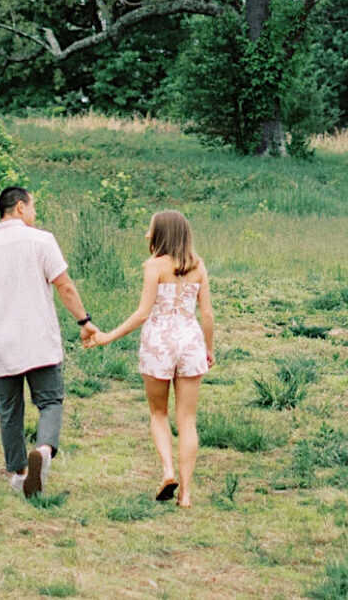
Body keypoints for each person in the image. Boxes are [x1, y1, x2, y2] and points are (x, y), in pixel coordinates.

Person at [0, 185, 97, 498]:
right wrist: (84, 321)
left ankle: (19, 473)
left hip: (0, 345)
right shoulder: (41, 241)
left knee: (10, 411)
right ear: (20, 207)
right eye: (33, 208)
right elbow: (64, 286)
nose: (35, 215)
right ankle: (44, 451)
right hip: (38, 340)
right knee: (50, 401)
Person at [83, 208, 215, 505]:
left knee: (158, 413)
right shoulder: (198, 266)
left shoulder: (154, 266)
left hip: (159, 343)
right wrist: (209, 348)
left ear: (162, 234)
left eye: (150, 228)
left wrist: (107, 336)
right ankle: (186, 493)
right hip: (190, 340)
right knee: (188, 420)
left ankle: (168, 472)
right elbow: (206, 313)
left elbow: (143, 313)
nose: (146, 233)